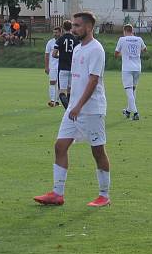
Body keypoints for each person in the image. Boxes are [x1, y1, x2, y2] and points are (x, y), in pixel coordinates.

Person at [34, 12, 110, 207]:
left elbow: (93, 81)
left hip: (91, 110)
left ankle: (104, 195)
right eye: (73, 25)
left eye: (77, 26)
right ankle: (57, 194)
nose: (74, 29)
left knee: (98, 151)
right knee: (60, 146)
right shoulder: (77, 48)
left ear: (89, 27)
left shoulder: (96, 50)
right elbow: (76, 78)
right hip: (74, 109)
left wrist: (78, 106)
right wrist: (70, 100)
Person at [115, 24, 148, 121]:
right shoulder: (139, 39)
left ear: (124, 31)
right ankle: (128, 111)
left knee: (129, 90)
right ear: (132, 31)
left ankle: (136, 112)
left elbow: (116, 54)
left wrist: (124, 54)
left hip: (127, 68)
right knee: (133, 90)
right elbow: (145, 49)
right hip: (137, 68)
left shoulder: (122, 39)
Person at [53, 20, 77, 109]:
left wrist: (61, 55)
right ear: (71, 28)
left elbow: (54, 54)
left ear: (63, 28)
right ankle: (71, 108)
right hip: (73, 68)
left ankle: (68, 110)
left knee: (62, 92)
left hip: (62, 68)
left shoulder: (60, 39)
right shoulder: (75, 39)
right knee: (70, 90)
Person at [44, 26, 61, 107]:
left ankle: (57, 101)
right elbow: (47, 55)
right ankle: (52, 100)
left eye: (56, 32)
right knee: (52, 82)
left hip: (62, 66)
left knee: (60, 84)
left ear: (60, 33)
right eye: (54, 32)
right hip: (53, 66)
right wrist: (46, 66)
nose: (55, 34)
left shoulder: (63, 41)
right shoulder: (50, 42)